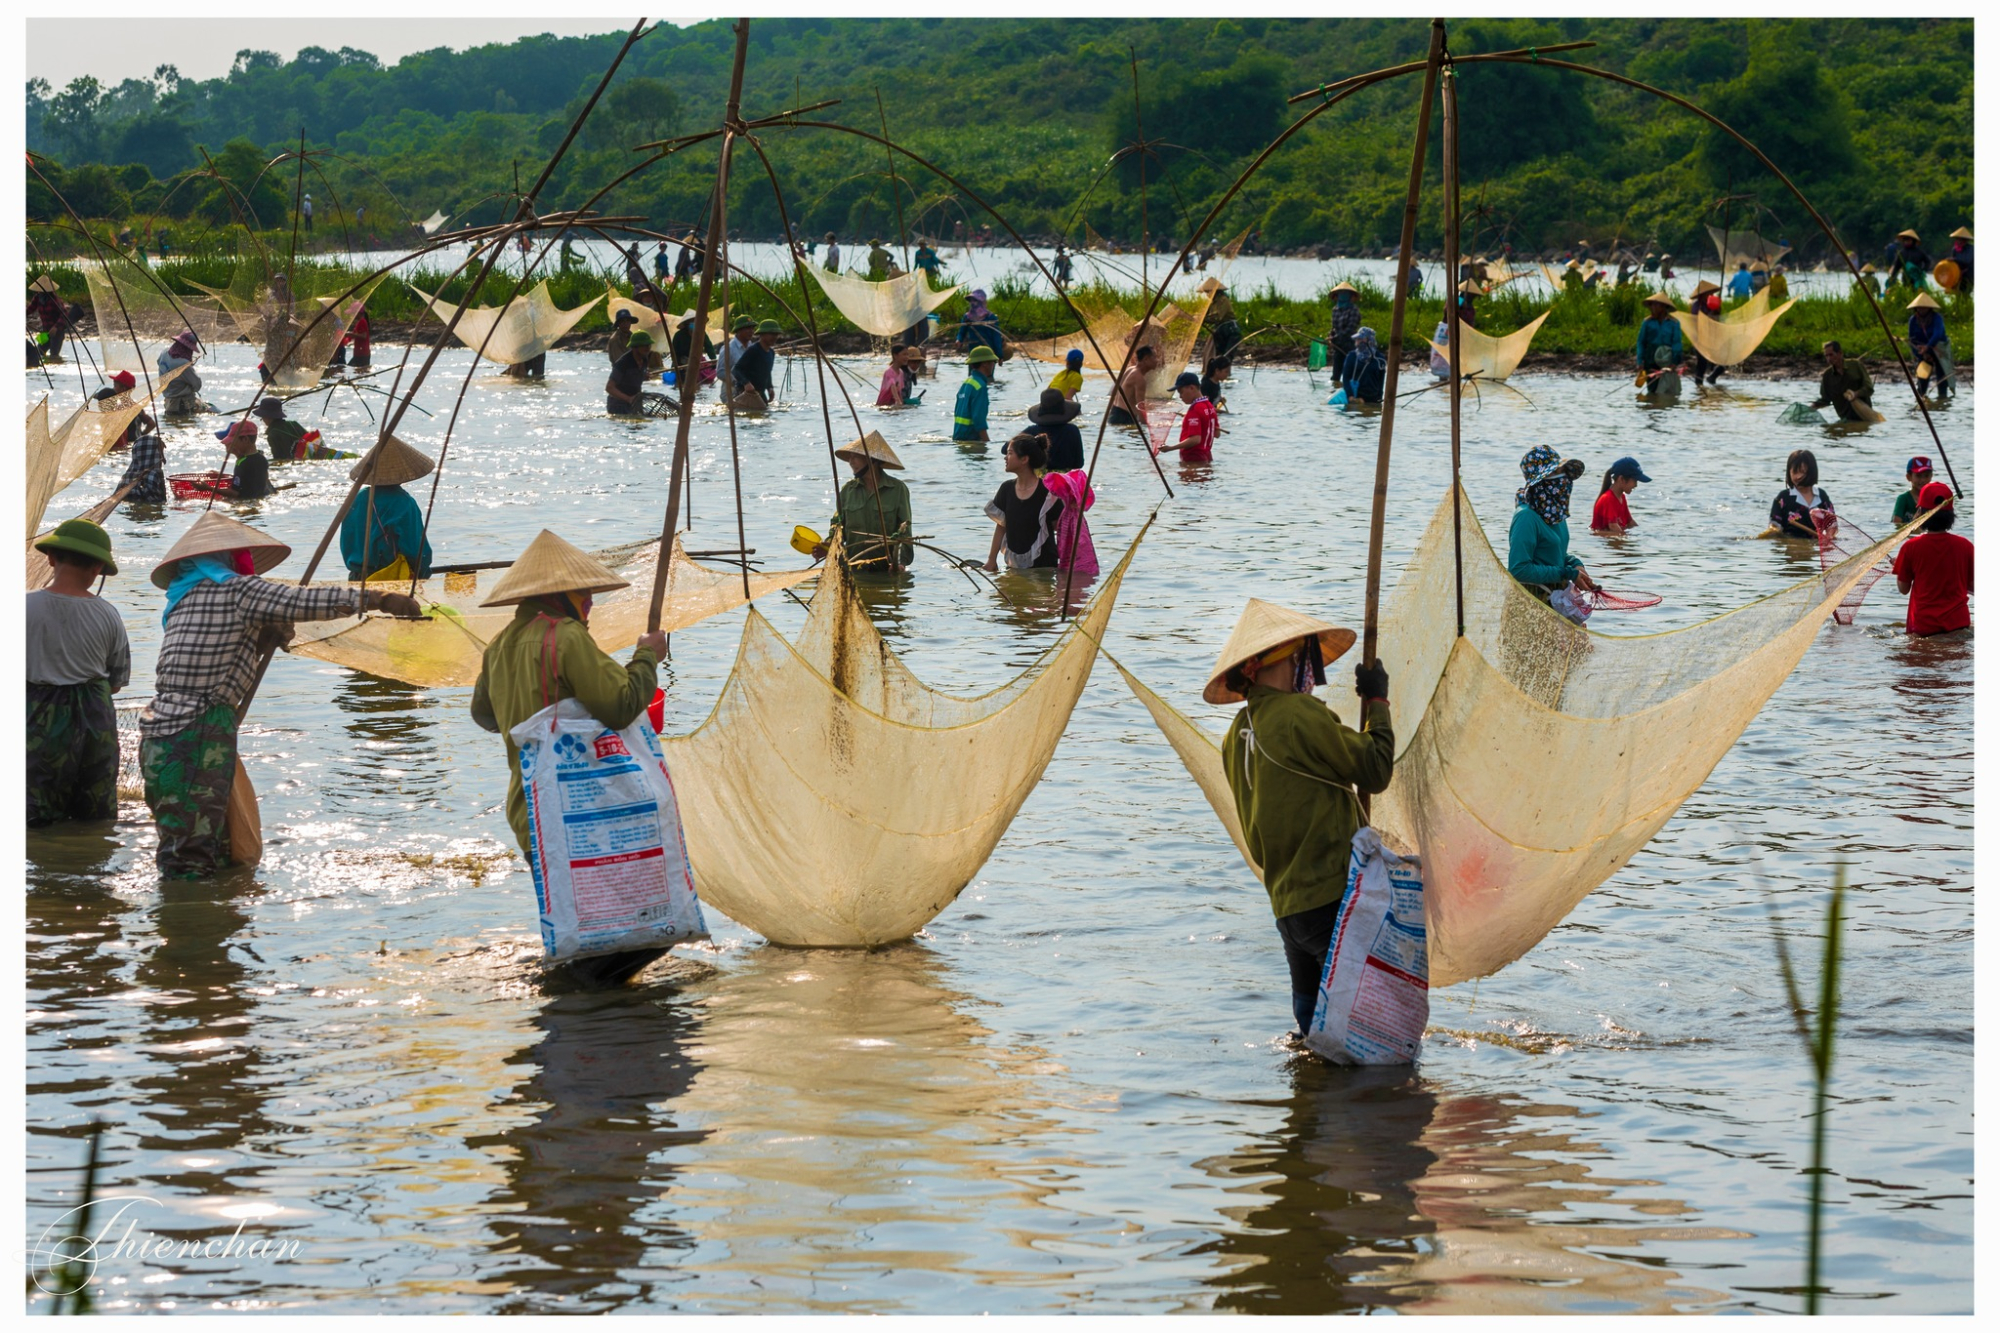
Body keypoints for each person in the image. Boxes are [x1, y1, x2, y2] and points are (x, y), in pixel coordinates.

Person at [142, 513, 419, 876]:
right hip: (198, 731)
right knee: (192, 856)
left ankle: (200, 919)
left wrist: (263, 638)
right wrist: (379, 599)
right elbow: (302, 602)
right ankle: (193, 922)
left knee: (185, 840)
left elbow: (218, 649)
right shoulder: (239, 591)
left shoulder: (182, 600)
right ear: (229, 559)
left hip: (158, 734)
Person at [469, 529, 668, 983]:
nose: (591, 603)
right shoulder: (567, 637)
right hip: (582, 815)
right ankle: (573, 1003)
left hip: (529, 810)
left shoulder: (499, 646)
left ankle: (574, 1014)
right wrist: (646, 657)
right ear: (562, 595)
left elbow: (485, 716)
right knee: (620, 937)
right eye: (585, 594)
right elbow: (619, 707)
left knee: (575, 928)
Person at [1211, 600, 1391, 1039]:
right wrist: (1378, 701)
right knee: (1366, 1032)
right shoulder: (1300, 716)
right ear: (1285, 662)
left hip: (1288, 908)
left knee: (1312, 1033)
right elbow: (1375, 768)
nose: (1305, 669)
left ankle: (1311, 1102)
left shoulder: (1234, 736)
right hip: (1331, 900)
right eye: (1300, 658)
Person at [27, 519, 130, 827]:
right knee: (94, 811)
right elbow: (116, 681)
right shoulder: (108, 614)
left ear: (51, 558)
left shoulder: (21, 607)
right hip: (94, 718)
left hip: (36, 719)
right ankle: (91, 863)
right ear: (98, 568)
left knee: (34, 809)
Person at [1507, 445, 1597, 608]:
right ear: (1539, 482)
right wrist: (1567, 573)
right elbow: (1518, 569)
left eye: (1562, 472)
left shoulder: (1555, 516)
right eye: (1555, 474)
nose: (1562, 479)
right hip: (1530, 601)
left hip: (1555, 599)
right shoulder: (1526, 517)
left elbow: (1551, 555)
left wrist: (1574, 563)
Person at [339, 435, 437, 581]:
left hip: (356, 578)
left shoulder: (355, 499)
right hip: (389, 579)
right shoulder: (403, 503)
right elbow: (417, 551)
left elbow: (347, 542)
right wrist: (422, 574)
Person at [816, 430, 913, 570]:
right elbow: (838, 527)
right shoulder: (848, 491)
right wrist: (828, 546)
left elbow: (905, 531)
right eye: (849, 457)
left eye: (855, 457)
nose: (850, 462)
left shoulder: (897, 489)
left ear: (872, 460)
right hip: (854, 567)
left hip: (887, 568)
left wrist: (900, 562)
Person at [1891, 481, 1972, 637]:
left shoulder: (1910, 547)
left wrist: (1901, 567)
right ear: (1952, 514)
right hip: (1959, 625)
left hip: (1923, 627)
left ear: (1920, 513)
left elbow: (1903, 589)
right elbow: (1973, 585)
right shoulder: (1965, 545)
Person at [983, 433, 1064, 572]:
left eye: (1010, 453)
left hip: (1044, 567)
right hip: (1013, 565)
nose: (1005, 457)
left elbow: (1061, 528)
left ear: (1024, 459)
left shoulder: (1048, 492)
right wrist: (991, 560)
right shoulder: (1006, 489)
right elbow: (1001, 526)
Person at [1154, 372, 1218, 463]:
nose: (1180, 396)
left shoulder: (1195, 409)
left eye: (1181, 392)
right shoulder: (1209, 406)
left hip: (1193, 457)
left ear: (1192, 388)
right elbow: (1217, 433)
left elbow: (1195, 439)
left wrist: (1170, 448)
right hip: (1206, 456)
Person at [1768, 448, 1832, 538]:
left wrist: (1829, 536)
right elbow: (1775, 524)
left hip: (1815, 548)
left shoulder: (1822, 496)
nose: (1798, 476)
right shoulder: (1783, 498)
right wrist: (1773, 530)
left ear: (1811, 472)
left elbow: (1832, 525)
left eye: (1802, 472)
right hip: (1792, 545)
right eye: (1795, 472)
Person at [1811, 340, 1875, 421]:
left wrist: (1856, 394)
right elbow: (1825, 399)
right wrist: (1812, 407)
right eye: (1826, 356)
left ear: (1840, 353)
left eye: (1831, 355)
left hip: (1865, 415)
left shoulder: (1855, 365)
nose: (1829, 359)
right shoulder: (1827, 375)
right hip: (1845, 420)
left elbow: (1869, 388)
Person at [1906, 292, 1953, 400]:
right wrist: (1920, 354)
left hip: (1939, 350)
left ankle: (1942, 397)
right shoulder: (1913, 320)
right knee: (1922, 379)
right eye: (1919, 308)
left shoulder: (1937, 318)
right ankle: (1922, 399)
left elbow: (1938, 334)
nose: (1921, 310)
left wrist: (1928, 347)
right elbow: (1912, 339)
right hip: (1922, 352)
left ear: (1929, 308)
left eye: (1924, 308)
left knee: (1942, 378)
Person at [1027, 389, 1085, 471]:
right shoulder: (1072, 430)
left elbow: (1006, 449)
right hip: (1065, 479)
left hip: (1037, 479)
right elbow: (1079, 463)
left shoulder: (1031, 431)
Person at [1591, 456, 1650, 535]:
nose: (1636, 485)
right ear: (1621, 479)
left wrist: (1644, 534)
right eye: (1634, 481)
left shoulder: (1621, 497)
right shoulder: (1608, 498)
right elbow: (1614, 527)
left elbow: (1630, 522)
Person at [1635, 292, 1683, 387]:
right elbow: (1641, 342)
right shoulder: (1647, 322)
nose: (1653, 308)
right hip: (1651, 357)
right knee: (1653, 386)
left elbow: (1676, 343)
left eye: (1656, 305)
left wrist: (1674, 362)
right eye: (1652, 305)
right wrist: (1640, 361)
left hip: (1667, 357)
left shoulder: (1674, 323)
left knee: (1667, 386)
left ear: (1664, 307)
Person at [730, 319, 780, 411]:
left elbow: (767, 372)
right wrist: (746, 383)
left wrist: (770, 387)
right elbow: (736, 369)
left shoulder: (771, 353)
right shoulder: (753, 350)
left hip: (760, 393)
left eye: (776, 334)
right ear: (762, 334)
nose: (774, 337)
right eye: (771, 334)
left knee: (764, 416)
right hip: (745, 393)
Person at [953, 344, 999, 443]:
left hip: (959, 437)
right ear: (985, 364)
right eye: (993, 362)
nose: (993, 365)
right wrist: (987, 442)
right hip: (972, 439)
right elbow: (979, 420)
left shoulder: (967, 383)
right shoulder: (980, 386)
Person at [117, 418, 168, 505]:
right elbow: (158, 501)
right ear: (153, 453)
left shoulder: (126, 476)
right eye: (159, 453)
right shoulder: (154, 474)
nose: (162, 458)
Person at [217, 421, 273, 499]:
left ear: (245, 439)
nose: (231, 445)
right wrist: (221, 476)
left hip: (245, 501)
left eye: (233, 442)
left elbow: (236, 493)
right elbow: (247, 479)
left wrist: (209, 489)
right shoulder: (261, 458)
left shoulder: (243, 463)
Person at [1685, 279, 1724, 386]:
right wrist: (1710, 314)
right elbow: (1698, 320)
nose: (1711, 295)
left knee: (1724, 360)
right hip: (1700, 338)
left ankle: (1712, 377)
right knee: (1701, 363)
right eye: (1709, 293)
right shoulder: (1697, 306)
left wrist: (1717, 311)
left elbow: (1716, 320)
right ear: (1702, 295)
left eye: (1712, 293)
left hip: (1713, 337)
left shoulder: (1713, 305)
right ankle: (1699, 385)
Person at [606, 330, 652, 416]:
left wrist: (642, 376)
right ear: (635, 347)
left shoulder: (645, 359)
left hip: (635, 403)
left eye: (649, 345)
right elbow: (609, 388)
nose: (648, 348)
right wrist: (629, 399)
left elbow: (633, 377)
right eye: (644, 345)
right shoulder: (623, 363)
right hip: (618, 405)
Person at [1110, 344, 1157, 429]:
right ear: (1146, 359)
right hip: (1124, 418)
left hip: (1115, 412)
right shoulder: (1139, 379)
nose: (1157, 361)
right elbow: (1140, 406)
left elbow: (1114, 392)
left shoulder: (1130, 369)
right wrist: (1146, 426)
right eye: (1154, 357)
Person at [28, 275, 74, 362]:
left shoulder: (55, 300)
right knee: (38, 351)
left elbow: (64, 314)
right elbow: (30, 309)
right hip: (45, 331)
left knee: (54, 354)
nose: (39, 292)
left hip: (57, 332)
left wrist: (55, 327)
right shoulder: (37, 298)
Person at [669, 311, 714, 392]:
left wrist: (713, 360)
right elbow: (674, 353)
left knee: (700, 383)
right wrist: (679, 363)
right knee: (682, 382)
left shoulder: (702, 333)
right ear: (687, 324)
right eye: (692, 321)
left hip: (697, 360)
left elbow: (709, 347)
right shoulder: (679, 335)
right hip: (682, 361)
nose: (694, 323)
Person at [1340, 327, 1386, 405]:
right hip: (1355, 398)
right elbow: (1345, 378)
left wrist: (1379, 400)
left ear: (1369, 340)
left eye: (1360, 339)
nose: (1357, 341)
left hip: (1373, 399)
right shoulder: (1352, 356)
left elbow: (1381, 382)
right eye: (1357, 339)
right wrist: (1350, 396)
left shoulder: (1379, 358)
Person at [252, 397, 308, 461]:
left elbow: (279, 459)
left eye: (262, 416)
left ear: (268, 417)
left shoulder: (273, 434)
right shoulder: (294, 424)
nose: (262, 419)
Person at [955, 288, 1004, 358]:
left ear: (982, 302)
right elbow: (962, 332)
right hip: (973, 351)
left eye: (975, 300)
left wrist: (999, 355)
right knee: (974, 368)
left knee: (986, 368)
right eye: (971, 301)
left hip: (989, 352)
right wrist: (959, 340)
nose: (972, 303)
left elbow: (996, 337)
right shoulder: (967, 317)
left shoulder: (991, 317)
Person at [1892, 457, 1935, 528]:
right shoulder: (1903, 499)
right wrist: (1914, 521)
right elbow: (1897, 524)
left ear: (1931, 476)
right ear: (1909, 477)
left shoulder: (1933, 498)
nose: (1923, 480)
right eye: (1918, 476)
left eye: (1926, 476)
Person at [1327, 282, 1362, 366]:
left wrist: (1336, 336)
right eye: (1340, 294)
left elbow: (1350, 329)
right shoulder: (1335, 310)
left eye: (1345, 294)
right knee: (1336, 369)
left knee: (1349, 367)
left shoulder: (1354, 310)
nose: (1342, 296)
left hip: (1350, 342)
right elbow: (1334, 327)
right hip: (1338, 344)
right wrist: (1331, 335)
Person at [876, 343, 922, 407]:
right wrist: (899, 402)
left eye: (907, 355)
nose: (906, 357)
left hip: (893, 405)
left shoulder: (901, 373)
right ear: (895, 355)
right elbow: (893, 388)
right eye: (904, 354)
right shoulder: (889, 372)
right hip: (884, 405)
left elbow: (899, 391)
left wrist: (902, 403)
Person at [714, 315, 755, 387]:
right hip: (732, 391)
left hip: (750, 388)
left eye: (752, 328)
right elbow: (720, 372)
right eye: (748, 328)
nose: (751, 331)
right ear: (739, 330)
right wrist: (736, 381)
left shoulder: (751, 346)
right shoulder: (728, 349)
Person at [1204, 283, 1241, 360]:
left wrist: (1203, 319)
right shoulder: (1213, 303)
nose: (1207, 295)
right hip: (1221, 332)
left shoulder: (1223, 300)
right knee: (1219, 355)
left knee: (1227, 355)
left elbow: (1217, 317)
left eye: (1209, 292)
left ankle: (1225, 370)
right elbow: (1206, 315)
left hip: (1231, 331)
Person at [1947, 226, 1973, 294]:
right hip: (1958, 275)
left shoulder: (1971, 249)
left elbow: (1967, 261)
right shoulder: (1954, 249)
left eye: (1961, 239)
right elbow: (1953, 264)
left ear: (1965, 240)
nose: (1959, 241)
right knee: (1957, 294)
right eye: (1958, 239)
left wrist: (1955, 260)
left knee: (1965, 293)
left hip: (1968, 275)